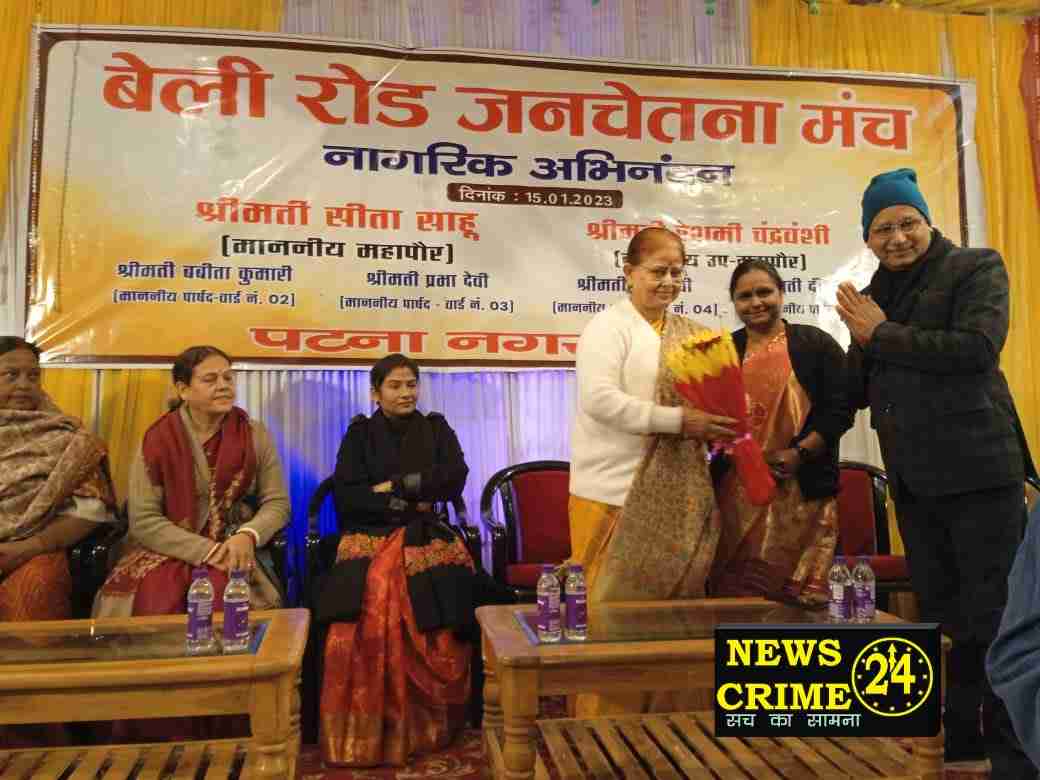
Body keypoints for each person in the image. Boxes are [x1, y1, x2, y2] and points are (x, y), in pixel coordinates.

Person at [837, 168, 1036, 776]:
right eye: (882, 229)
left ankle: (1014, 756)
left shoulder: (975, 267)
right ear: (867, 238)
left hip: (980, 474)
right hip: (916, 484)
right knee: (941, 619)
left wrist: (879, 333)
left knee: (995, 618)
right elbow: (859, 388)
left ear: (928, 222)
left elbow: (976, 348)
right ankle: (957, 742)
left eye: (907, 223)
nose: (897, 237)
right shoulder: (872, 294)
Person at [569, 226, 738, 716]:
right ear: (629, 272)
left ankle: (671, 729)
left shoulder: (690, 334)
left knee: (675, 618)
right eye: (657, 271)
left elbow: (714, 400)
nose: (667, 282)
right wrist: (679, 422)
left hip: (679, 496)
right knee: (611, 622)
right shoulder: (608, 328)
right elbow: (599, 401)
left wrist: (719, 425)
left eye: (676, 273)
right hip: (613, 493)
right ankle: (602, 735)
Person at [317, 353, 475, 768]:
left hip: (427, 532)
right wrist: (408, 500)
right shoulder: (359, 434)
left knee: (438, 600)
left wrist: (395, 484)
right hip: (370, 532)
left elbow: (455, 477)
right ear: (376, 393)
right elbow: (349, 495)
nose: (406, 393)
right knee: (372, 593)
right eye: (395, 386)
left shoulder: (436, 428)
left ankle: (433, 723)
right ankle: (370, 725)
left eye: (411, 385)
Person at [95, 345, 289, 617]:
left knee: (228, 596)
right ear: (183, 390)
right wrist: (208, 551)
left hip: (234, 544)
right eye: (210, 379)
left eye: (228, 377)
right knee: (156, 594)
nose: (223, 386)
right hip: (168, 546)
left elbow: (277, 503)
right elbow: (144, 520)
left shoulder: (254, 434)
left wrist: (248, 535)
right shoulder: (158, 440)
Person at [710, 261, 849, 605]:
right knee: (740, 600)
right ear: (734, 302)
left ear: (781, 294)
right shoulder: (723, 352)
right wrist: (738, 456)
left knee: (803, 603)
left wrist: (801, 453)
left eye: (764, 292)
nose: (756, 302)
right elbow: (714, 420)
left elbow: (841, 408)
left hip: (805, 490)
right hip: (739, 495)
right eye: (745, 296)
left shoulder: (815, 344)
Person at [0, 336, 118, 621]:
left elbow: (92, 511)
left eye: (33, 376)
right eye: (11, 375)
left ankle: (37, 654)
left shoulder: (69, 439)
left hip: (33, 549)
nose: (24, 385)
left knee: (35, 588)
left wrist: (29, 547)